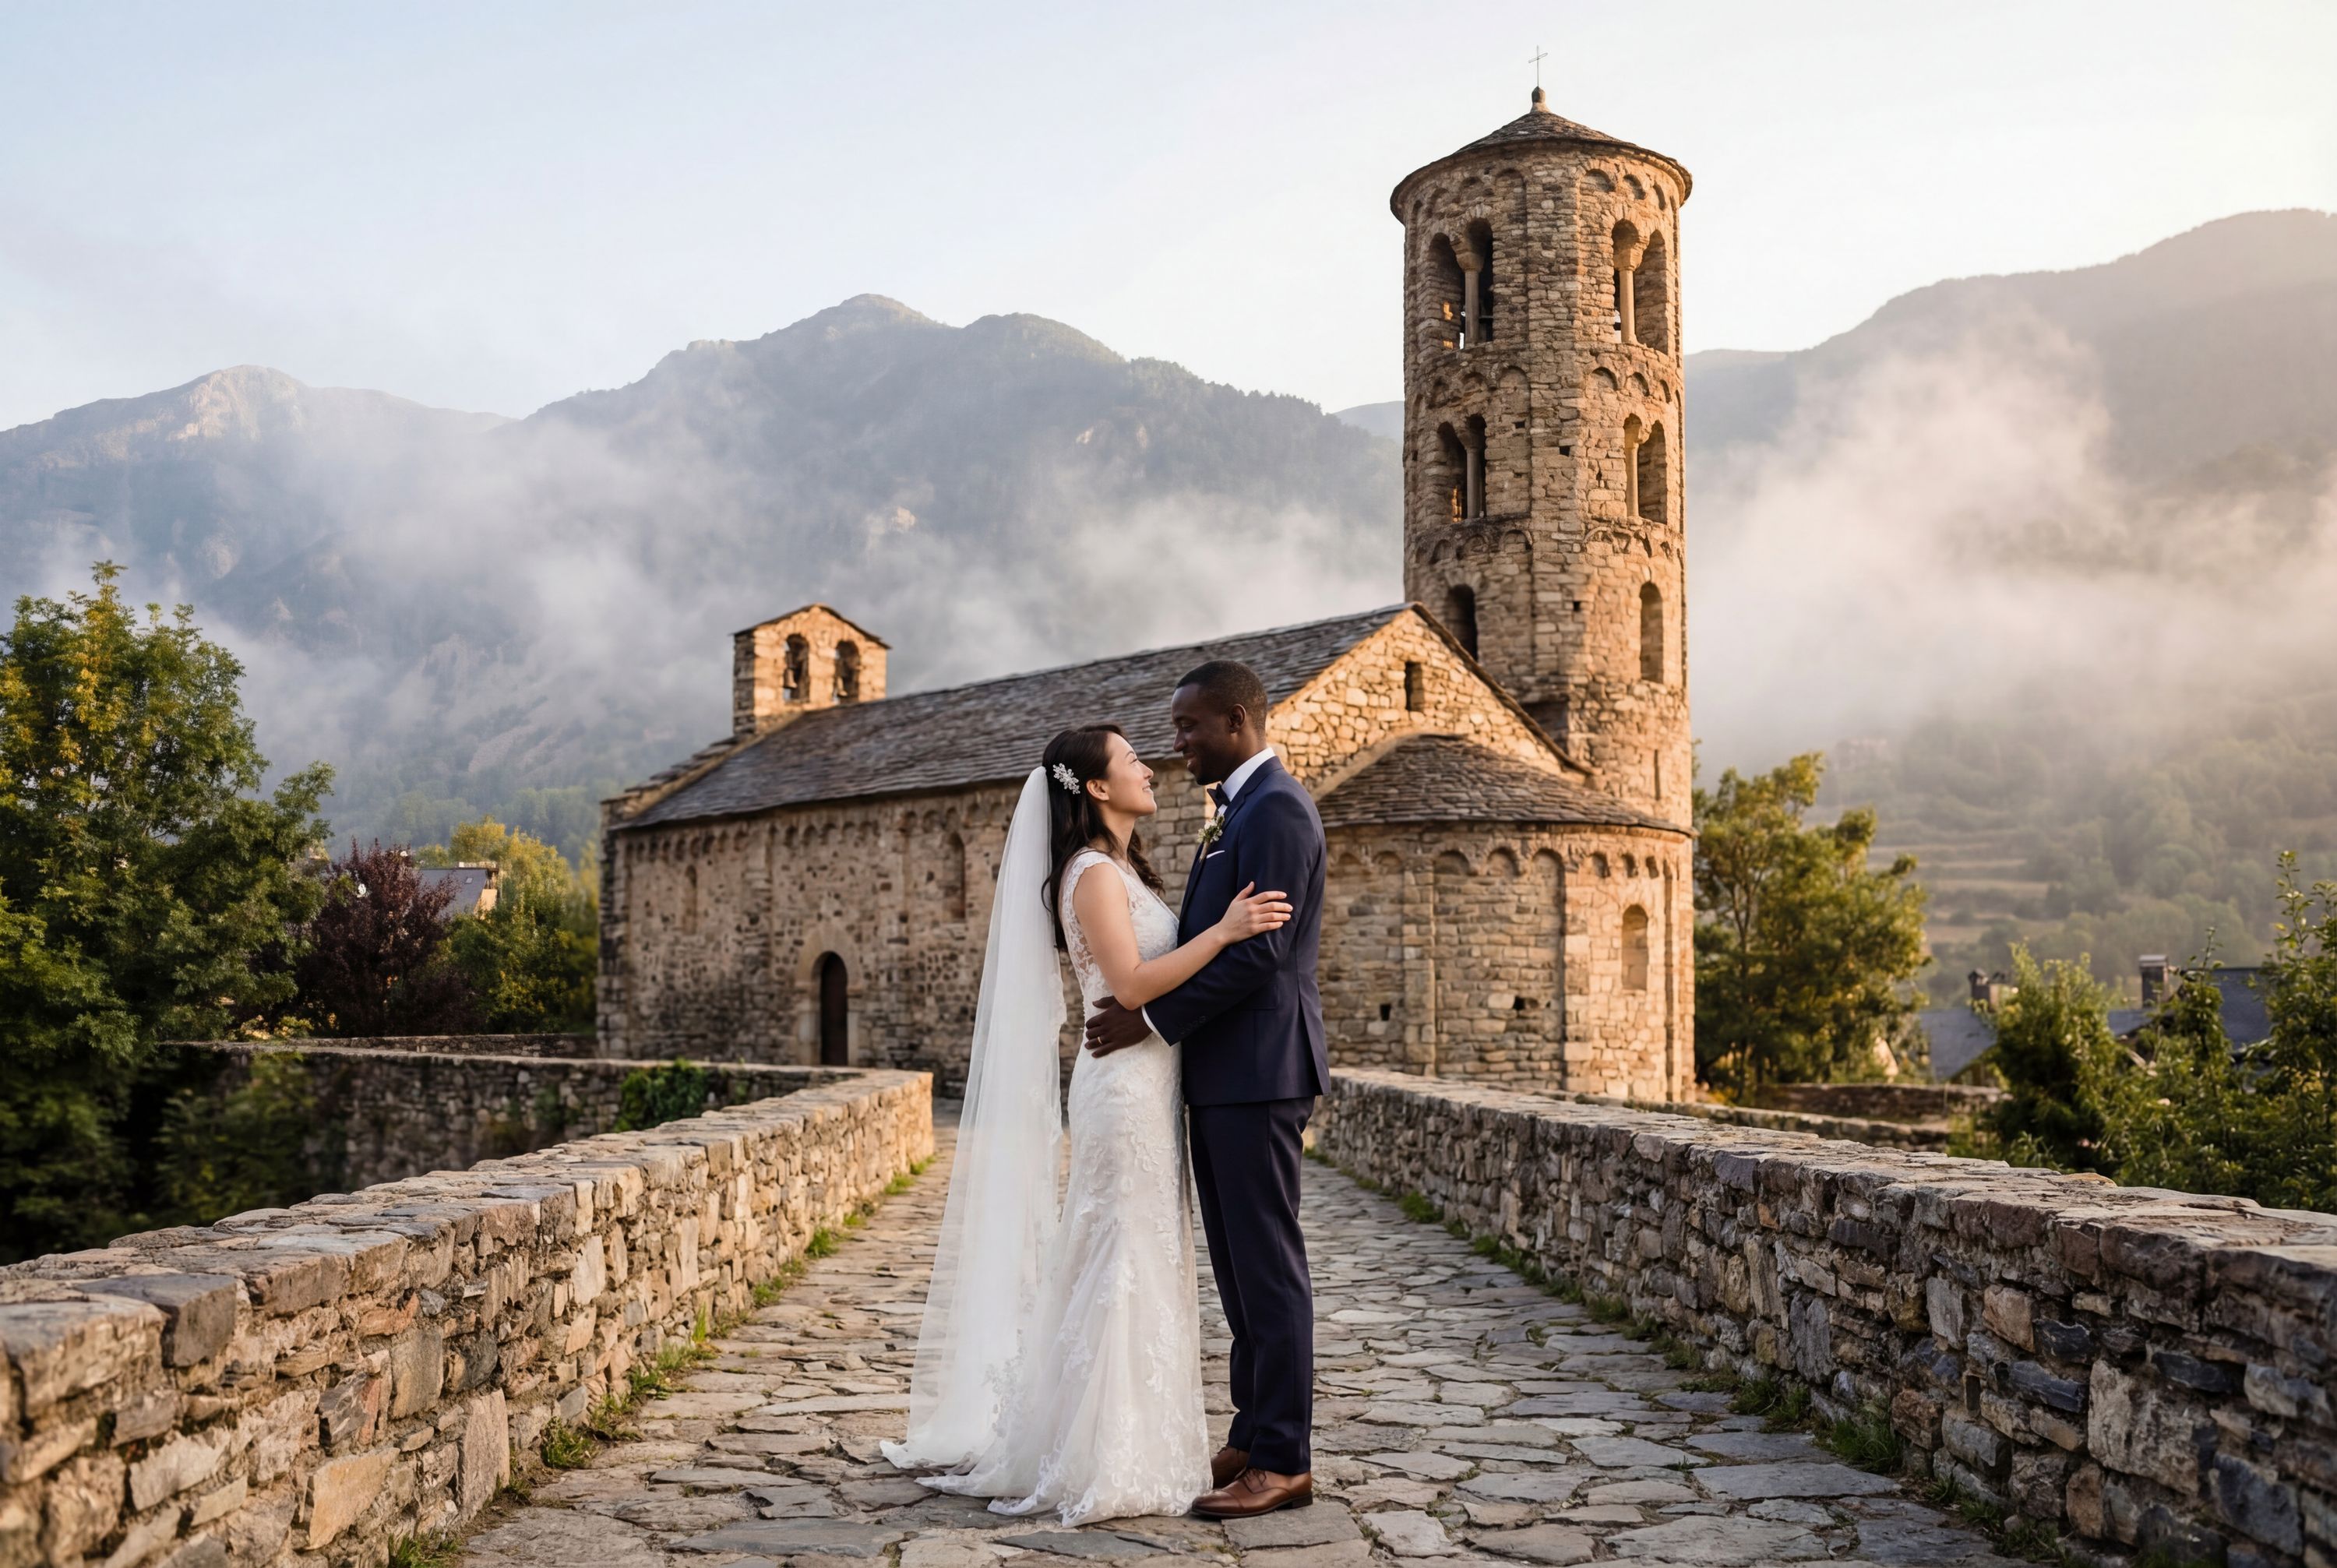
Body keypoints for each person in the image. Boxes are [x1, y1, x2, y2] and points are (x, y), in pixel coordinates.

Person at [882, 721, 1292, 1524]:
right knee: (1121, 1254)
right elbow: (1132, 985)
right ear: (1098, 788)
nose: (1150, 767)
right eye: (1133, 760)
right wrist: (1224, 931)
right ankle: (1105, 1455)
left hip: (1146, 1087)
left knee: (1141, 1254)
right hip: (1123, 1092)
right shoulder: (1093, 875)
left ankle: (1135, 1443)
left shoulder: (1119, 869)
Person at [1085, 660, 1326, 1520]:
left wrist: (1150, 1023)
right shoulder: (1235, 813)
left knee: (1268, 1266)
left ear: (1236, 720)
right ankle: (1254, 1430)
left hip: (1261, 1070)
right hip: (1224, 1073)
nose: (1178, 742)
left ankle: (1287, 1460)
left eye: (1190, 727)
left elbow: (1261, 953)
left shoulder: (1279, 812)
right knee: (1236, 1267)